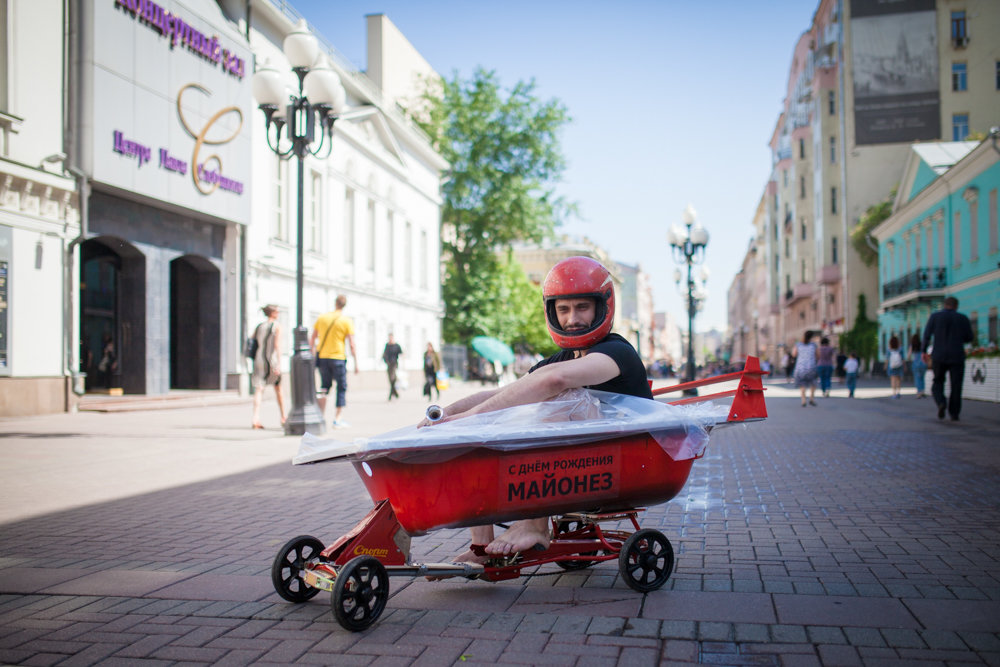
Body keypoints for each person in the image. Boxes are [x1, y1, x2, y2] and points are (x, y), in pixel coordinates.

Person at [419, 257, 651, 563]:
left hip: (628, 462)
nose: (572, 318)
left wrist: (470, 417)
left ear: (602, 307)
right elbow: (503, 393)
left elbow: (555, 380)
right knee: (475, 442)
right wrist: (444, 415)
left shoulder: (617, 350)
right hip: (589, 462)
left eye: (582, 307)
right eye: (564, 309)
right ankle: (481, 547)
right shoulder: (562, 357)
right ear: (551, 310)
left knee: (555, 409)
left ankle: (535, 524)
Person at [922, 296, 974, 421]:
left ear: (944, 305)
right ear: (956, 306)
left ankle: (941, 402)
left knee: (938, 381)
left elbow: (927, 335)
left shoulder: (935, 317)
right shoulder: (962, 318)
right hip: (957, 355)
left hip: (939, 355)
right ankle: (954, 413)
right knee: (956, 385)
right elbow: (969, 337)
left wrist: (924, 351)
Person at [311, 294, 359, 429]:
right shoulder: (346, 321)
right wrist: (356, 363)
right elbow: (352, 344)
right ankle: (337, 418)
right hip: (338, 358)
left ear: (335, 303)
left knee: (324, 387)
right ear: (344, 305)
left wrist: (312, 354)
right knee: (341, 387)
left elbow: (313, 338)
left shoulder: (322, 318)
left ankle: (319, 416)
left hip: (323, 358)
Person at [250, 304, 286, 429]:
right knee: (278, 388)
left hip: (259, 359)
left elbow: (252, 341)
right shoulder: (276, 326)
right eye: (277, 311)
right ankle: (283, 417)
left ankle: (255, 418)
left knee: (259, 388)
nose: (278, 314)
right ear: (273, 313)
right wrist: (279, 364)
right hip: (271, 360)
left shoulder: (259, 326)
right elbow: (277, 345)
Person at [792, 330, 819, 407]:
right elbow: (818, 355)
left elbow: (794, 354)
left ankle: (803, 400)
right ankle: (811, 399)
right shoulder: (814, 345)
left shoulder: (798, 344)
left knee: (802, 385)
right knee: (813, 383)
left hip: (801, 367)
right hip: (811, 366)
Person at [383, 334, 403, 401]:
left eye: (391, 338)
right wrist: (385, 360)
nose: (390, 339)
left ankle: (390, 396)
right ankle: (395, 393)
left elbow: (401, 353)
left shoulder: (396, 346)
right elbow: (384, 354)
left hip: (394, 364)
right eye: (389, 338)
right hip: (389, 364)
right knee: (391, 380)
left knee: (392, 378)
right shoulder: (387, 345)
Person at [909, 333, 927, 398]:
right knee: (922, 377)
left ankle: (919, 392)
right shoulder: (921, 344)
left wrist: (910, 360)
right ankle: (923, 391)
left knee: (917, 378)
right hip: (923, 363)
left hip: (916, 363)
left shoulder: (912, 345)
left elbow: (909, 355)